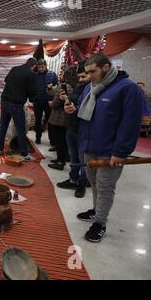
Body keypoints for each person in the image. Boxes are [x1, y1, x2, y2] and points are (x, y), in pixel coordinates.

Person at [64, 53, 144, 242]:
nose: (89, 76)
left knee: (105, 186)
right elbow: (84, 117)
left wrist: (121, 152)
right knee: (94, 183)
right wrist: (72, 113)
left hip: (110, 151)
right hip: (88, 146)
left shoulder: (128, 89)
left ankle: (100, 223)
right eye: (87, 72)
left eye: (93, 71)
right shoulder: (89, 88)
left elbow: (130, 124)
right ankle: (95, 210)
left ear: (106, 67)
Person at [57, 61, 90, 197]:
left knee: (83, 161)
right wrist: (66, 100)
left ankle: (82, 184)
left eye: (84, 76)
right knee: (73, 157)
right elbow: (75, 103)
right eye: (79, 77)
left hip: (84, 130)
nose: (81, 80)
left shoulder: (95, 90)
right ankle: (73, 179)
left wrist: (75, 109)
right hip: (72, 127)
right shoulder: (79, 87)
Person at [0, 58, 37, 160]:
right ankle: (24, 154)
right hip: (16, 104)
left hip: (4, 101)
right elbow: (31, 93)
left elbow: (6, 81)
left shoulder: (14, 69)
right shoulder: (31, 74)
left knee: (3, 127)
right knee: (20, 129)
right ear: (34, 66)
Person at [47, 67, 77, 170]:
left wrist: (49, 104)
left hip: (58, 118)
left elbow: (55, 104)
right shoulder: (75, 86)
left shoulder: (62, 86)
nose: (60, 74)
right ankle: (63, 158)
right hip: (68, 117)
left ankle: (60, 162)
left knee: (59, 141)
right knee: (64, 140)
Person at [33, 59, 58, 144]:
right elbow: (32, 88)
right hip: (37, 102)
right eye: (39, 67)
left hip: (49, 102)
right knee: (38, 120)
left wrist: (52, 87)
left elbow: (57, 86)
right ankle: (38, 138)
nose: (40, 69)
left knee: (50, 121)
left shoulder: (52, 74)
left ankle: (52, 141)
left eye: (42, 67)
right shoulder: (35, 76)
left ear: (46, 66)